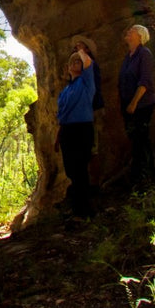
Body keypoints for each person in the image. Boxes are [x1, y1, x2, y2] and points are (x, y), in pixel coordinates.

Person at [54, 47, 96, 217]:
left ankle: (85, 210)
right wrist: (58, 137)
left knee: (80, 169)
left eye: (77, 61)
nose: (75, 63)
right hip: (67, 131)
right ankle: (78, 208)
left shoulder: (86, 81)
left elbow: (88, 63)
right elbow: (61, 115)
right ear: (67, 67)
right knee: (71, 170)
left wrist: (80, 50)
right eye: (72, 62)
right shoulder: (65, 91)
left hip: (82, 129)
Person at [118, 24, 155, 189]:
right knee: (135, 139)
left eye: (132, 30)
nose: (128, 31)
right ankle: (141, 176)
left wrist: (134, 102)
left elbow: (145, 80)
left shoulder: (144, 54)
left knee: (141, 138)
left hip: (142, 103)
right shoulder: (128, 57)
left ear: (140, 36)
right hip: (129, 106)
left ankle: (149, 175)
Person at [71, 34, 105, 187]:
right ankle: (86, 184)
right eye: (75, 47)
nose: (77, 49)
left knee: (93, 149)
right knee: (84, 150)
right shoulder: (77, 74)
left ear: (87, 49)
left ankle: (95, 184)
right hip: (82, 116)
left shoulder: (90, 65)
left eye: (80, 46)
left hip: (93, 111)